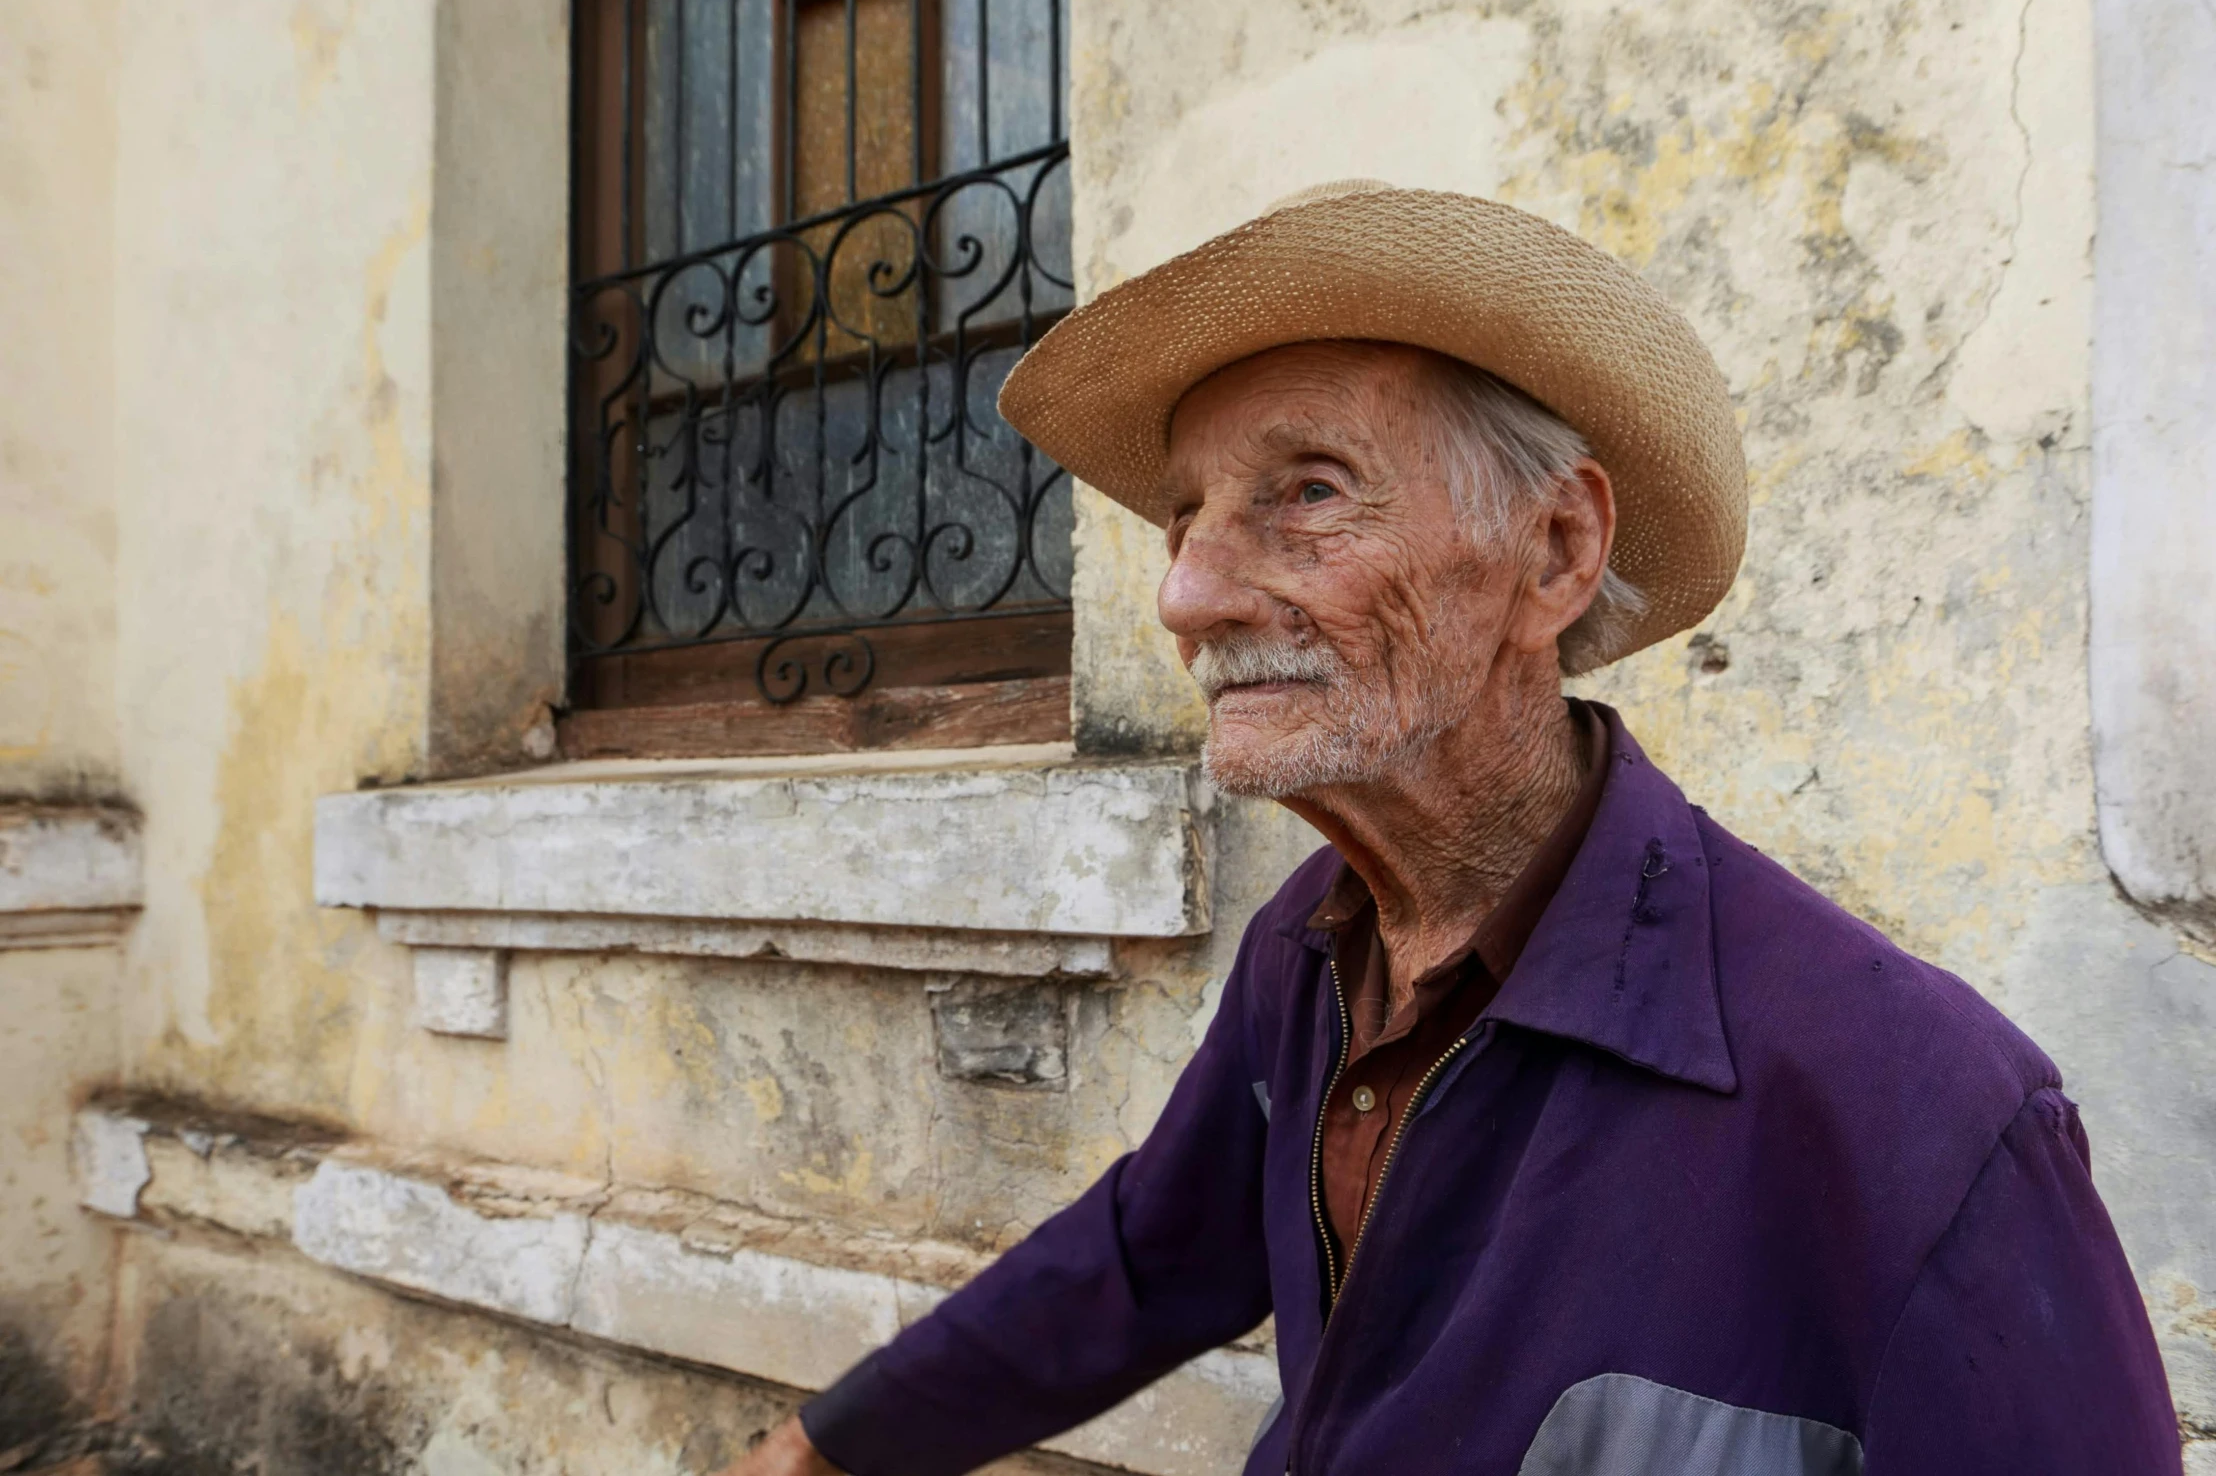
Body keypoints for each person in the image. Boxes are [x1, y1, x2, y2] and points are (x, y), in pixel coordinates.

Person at [725, 183, 2179, 1475]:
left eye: (1306, 493)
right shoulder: (1312, 950)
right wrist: (830, 1441)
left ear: (1555, 551)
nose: (1188, 595)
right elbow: (1144, 1259)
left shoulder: (1923, 1118)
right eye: (1184, 518)